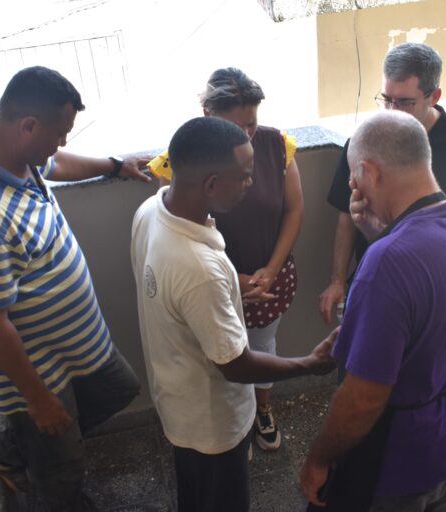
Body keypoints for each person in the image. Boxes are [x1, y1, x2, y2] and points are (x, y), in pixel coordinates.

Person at [0, 66, 151, 511]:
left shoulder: (12, 152)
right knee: (61, 468)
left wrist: (115, 165)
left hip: (73, 347)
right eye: (60, 133)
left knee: (117, 389)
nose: (62, 143)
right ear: (28, 125)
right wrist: (39, 401)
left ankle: (8, 450)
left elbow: (57, 164)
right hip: (36, 371)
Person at [300, 110, 446, 511]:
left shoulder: (387, 263)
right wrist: (379, 234)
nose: (354, 188)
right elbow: (432, 290)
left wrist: (318, 459)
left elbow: (363, 399)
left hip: (401, 463)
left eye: (355, 179)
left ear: (369, 172)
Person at [131, 116, 335, 512]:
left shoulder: (151, 211)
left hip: (177, 401)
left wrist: (228, 285)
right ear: (210, 184)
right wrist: (309, 364)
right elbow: (236, 365)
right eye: (244, 176)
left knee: (196, 495)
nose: (251, 183)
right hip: (214, 425)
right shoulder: (199, 271)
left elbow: (176, 291)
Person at [148, 68, 304, 452]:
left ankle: (262, 410)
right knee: (222, 357)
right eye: (235, 126)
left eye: (251, 123)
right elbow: (179, 229)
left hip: (268, 279)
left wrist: (270, 271)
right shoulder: (184, 159)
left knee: (263, 346)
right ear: (207, 115)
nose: (246, 135)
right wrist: (236, 279)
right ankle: (235, 424)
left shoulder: (277, 145)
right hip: (212, 284)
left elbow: (293, 210)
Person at [319, 42, 446, 325]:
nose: (393, 111)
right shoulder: (365, 142)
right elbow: (346, 216)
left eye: (405, 102)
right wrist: (337, 280)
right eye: (386, 99)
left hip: (438, 296)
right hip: (375, 282)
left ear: (434, 96)